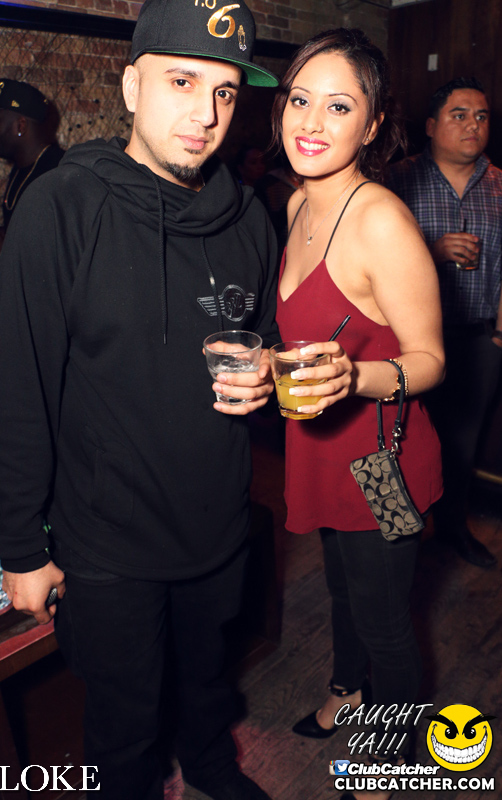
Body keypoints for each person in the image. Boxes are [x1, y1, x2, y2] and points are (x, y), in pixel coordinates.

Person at [0, 1, 279, 798]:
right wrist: (21, 547)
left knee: (208, 683)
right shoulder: (63, 207)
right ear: (131, 87)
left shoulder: (249, 218)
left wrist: (270, 374)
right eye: (182, 81)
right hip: (108, 545)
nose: (205, 113)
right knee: (124, 725)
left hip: (218, 524)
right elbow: (20, 387)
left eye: (223, 91)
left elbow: (268, 341)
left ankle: (212, 768)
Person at [270, 28, 444, 800]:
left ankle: (393, 761)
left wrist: (354, 376)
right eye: (299, 100)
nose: (311, 122)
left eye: (338, 107)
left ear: (372, 125)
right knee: (341, 588)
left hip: (383, 463)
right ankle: (347, 691)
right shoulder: (297, 202)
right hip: (317, 448)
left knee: (386, 620)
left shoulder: (381, 220)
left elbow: (431, 359)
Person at [388, 77, 501, 569]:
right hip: (407, 342)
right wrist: (430, 253)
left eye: (481, 116)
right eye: (459, 115)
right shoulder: (396, 181)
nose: (473, 125)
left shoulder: (500, 185)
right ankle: (397, 539)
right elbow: (374, 262)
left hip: (477, 339)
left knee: (463, 444)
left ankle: (453, 529)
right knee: (402, 439)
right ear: (432, 126)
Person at [0, 79, 64, 262]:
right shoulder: (23, 167)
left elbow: (63, 255)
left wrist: (3, 249)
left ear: (20, 126)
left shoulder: (59, 175)